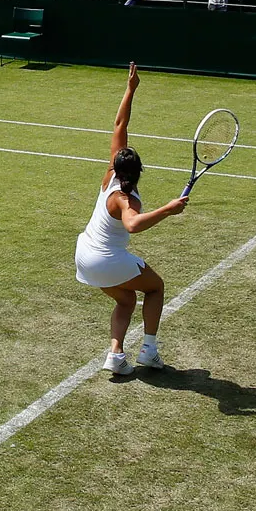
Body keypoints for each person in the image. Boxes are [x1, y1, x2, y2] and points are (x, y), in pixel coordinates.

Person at [73, 63, 184, 377]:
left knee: (125, 301)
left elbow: (120, 122)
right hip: (106, 259)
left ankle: (116, 355)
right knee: (155, 288)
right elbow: (133, 224)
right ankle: (148, 350)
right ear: (137, 173)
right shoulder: (127, 199)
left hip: (83, 256)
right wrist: (168, 209)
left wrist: (131, 88)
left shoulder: (110, 174)